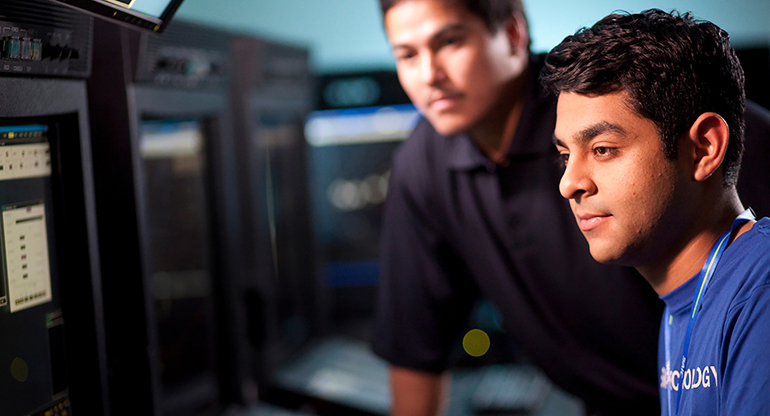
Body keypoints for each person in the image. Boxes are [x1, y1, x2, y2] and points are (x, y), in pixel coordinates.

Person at [371, 1, 665, 415]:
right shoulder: (422, 164)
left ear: (512, 33)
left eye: (450, 42)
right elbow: (415, 350)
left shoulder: (608, 101)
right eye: (407, 55)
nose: (429, 76)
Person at [541, 9, 770, 415]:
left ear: (704, 149)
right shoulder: (681, 303)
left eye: (602, 150)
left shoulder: (759, 293)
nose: (569, 183)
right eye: (564, 155)